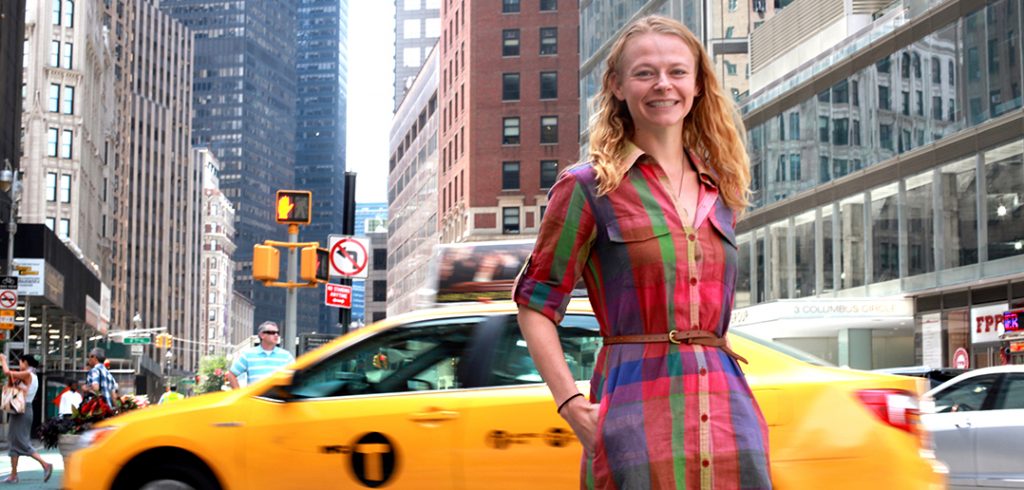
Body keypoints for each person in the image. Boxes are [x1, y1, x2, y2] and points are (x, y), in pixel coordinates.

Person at [513, 16, 771, 489]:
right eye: (645, 72)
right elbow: (535, 303)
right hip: (636, 417)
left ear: (696, 85)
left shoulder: (723, 190)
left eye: (677, 72)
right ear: (617, 85)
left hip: (730, 420)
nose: (663, 85)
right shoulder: (588, 188)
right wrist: (571, 405)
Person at [0, 354, 54, 483]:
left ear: (25, 362)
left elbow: (7, 372)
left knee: (21, 442)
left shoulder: (27, 374)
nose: (19, 365)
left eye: (20, 362)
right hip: (21, 410)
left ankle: (45, 464)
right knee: (14, 441)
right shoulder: (32, 376)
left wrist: (3, 359)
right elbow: (14, 383)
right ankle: (13, 475)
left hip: (22, 411)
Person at [225, 321, 295, 389]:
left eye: (277, 332)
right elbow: (231, 375)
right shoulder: (248, 355)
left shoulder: (286, 356)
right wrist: (239, 395)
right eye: (272, 332)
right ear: (262, 335)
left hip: (278, 400)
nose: (276, 335)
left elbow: (296, 377)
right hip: (255, 400)